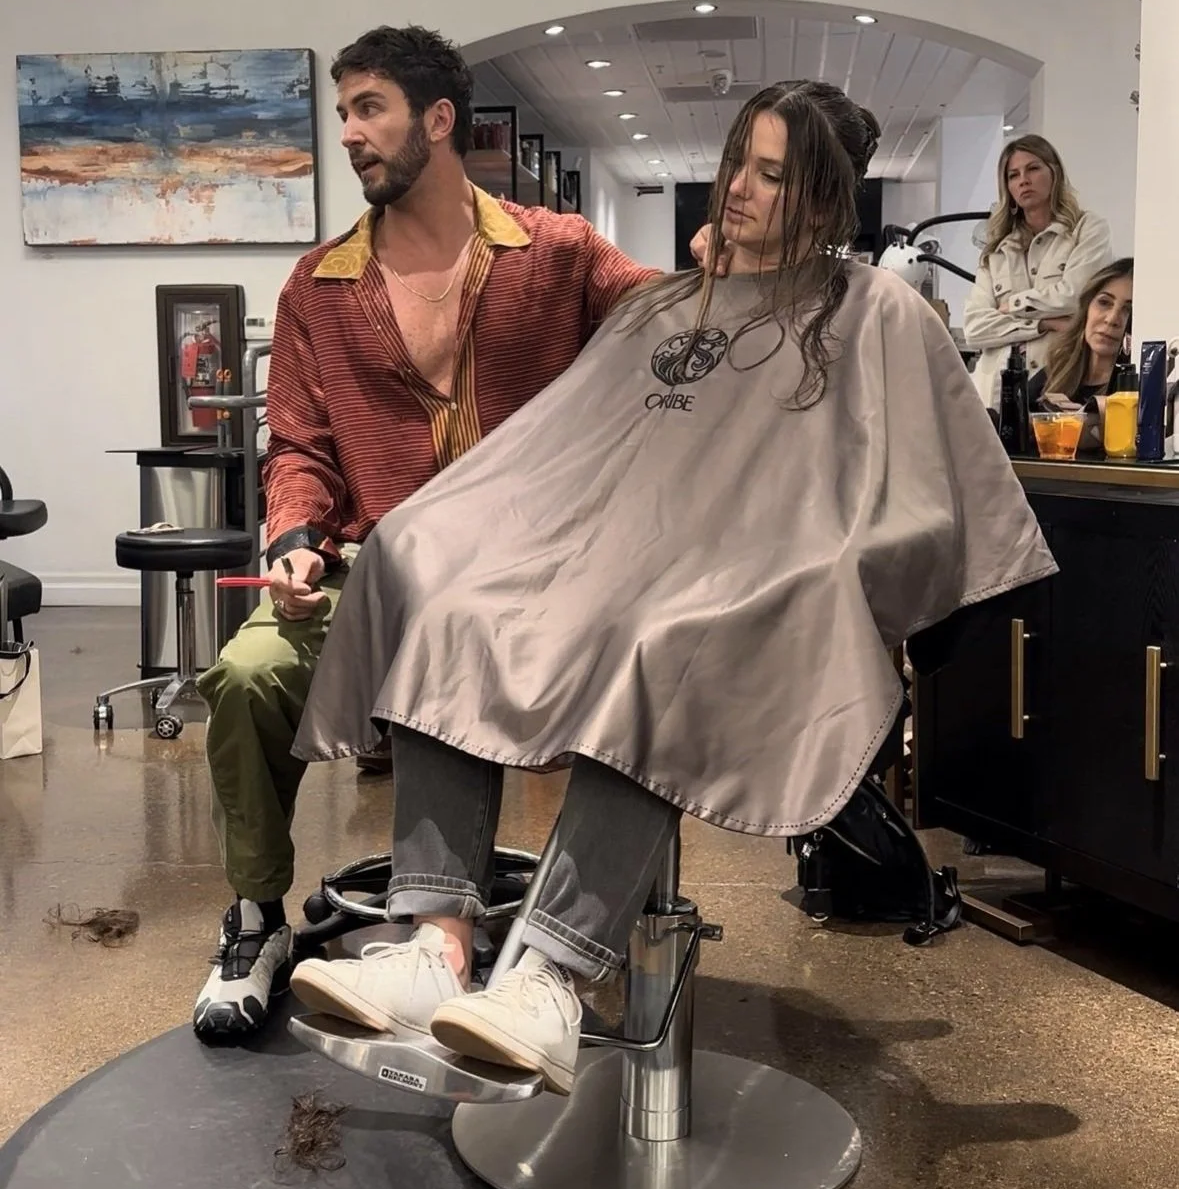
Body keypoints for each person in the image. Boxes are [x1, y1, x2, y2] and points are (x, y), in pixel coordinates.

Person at [286, 80, 1058, 1096]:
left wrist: (836, 561)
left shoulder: (879, 311)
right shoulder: (662, 305)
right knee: (447, 592)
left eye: (770, 175)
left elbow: (937, 497)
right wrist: (436, 531)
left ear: (824, 199)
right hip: (612, 558)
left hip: (749, 591)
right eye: (738, 162)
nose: (736, 188)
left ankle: (552, 974)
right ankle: (437, 942)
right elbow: (565, 447)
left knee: (661, 639)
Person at [190, 25, 664, 1041]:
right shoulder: (318, 287)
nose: (348, 134)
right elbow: (298, 447)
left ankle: (516, 952)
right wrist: (295, 539)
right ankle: (257, 917)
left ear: (438, 119)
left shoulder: (557, 255)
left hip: (535, 584)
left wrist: (736, 270)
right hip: (374, 575)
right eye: (343, 112)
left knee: (650, 666)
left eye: (370, 109)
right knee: (246, 676)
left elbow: (670, 326)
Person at [964, 135, 1112, 410]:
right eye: (1013, 175)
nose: (1023, 180)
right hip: (993, 395)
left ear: (1054, 172)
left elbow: (1073, 297)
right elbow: (974, 328)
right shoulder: (996, 250)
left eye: (1033, 169)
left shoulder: (1086, 230)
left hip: (1056, 384)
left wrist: (1014, 305)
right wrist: (1043, 323)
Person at [1027, 258, 1133, 417]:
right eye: (1104, 302)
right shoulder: (1055, 373)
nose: (1112, 319)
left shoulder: (1138, 391)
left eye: (1128, 310)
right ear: (1087, 307)